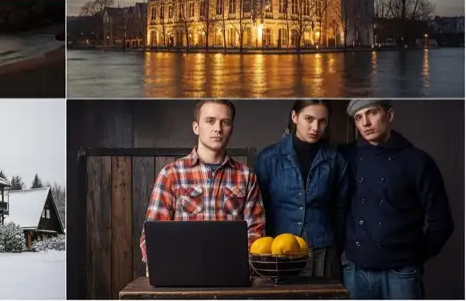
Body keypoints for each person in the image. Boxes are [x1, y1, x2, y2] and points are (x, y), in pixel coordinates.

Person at [339, 99, 454, 299]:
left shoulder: (418, 161)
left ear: (389, 115)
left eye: (372, 113)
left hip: (401, 273)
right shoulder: (345, 156)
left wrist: (413, 257)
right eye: (358, 117)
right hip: (356, 270)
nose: (365, 122)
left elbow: (442, 221)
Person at [139, 99, 265, 273]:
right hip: (182, 273)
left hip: (230, 275)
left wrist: (243, 267)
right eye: (210, 121)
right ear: (196, 127)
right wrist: (161, 268)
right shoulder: (171, 174)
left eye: (225, 122)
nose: (218, 129)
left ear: (232, 130)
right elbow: (152, 235)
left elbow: (256, 233)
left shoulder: (246, 176)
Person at [254, 100, 350, 279]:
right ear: (294, 117)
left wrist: (335, 245)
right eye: (309, 119)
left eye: (323, 121)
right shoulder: (269, 158)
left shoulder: (335, 160)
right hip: (279, 251)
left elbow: (340, 210)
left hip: (323, 250)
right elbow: (259, 209)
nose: (316, 127)